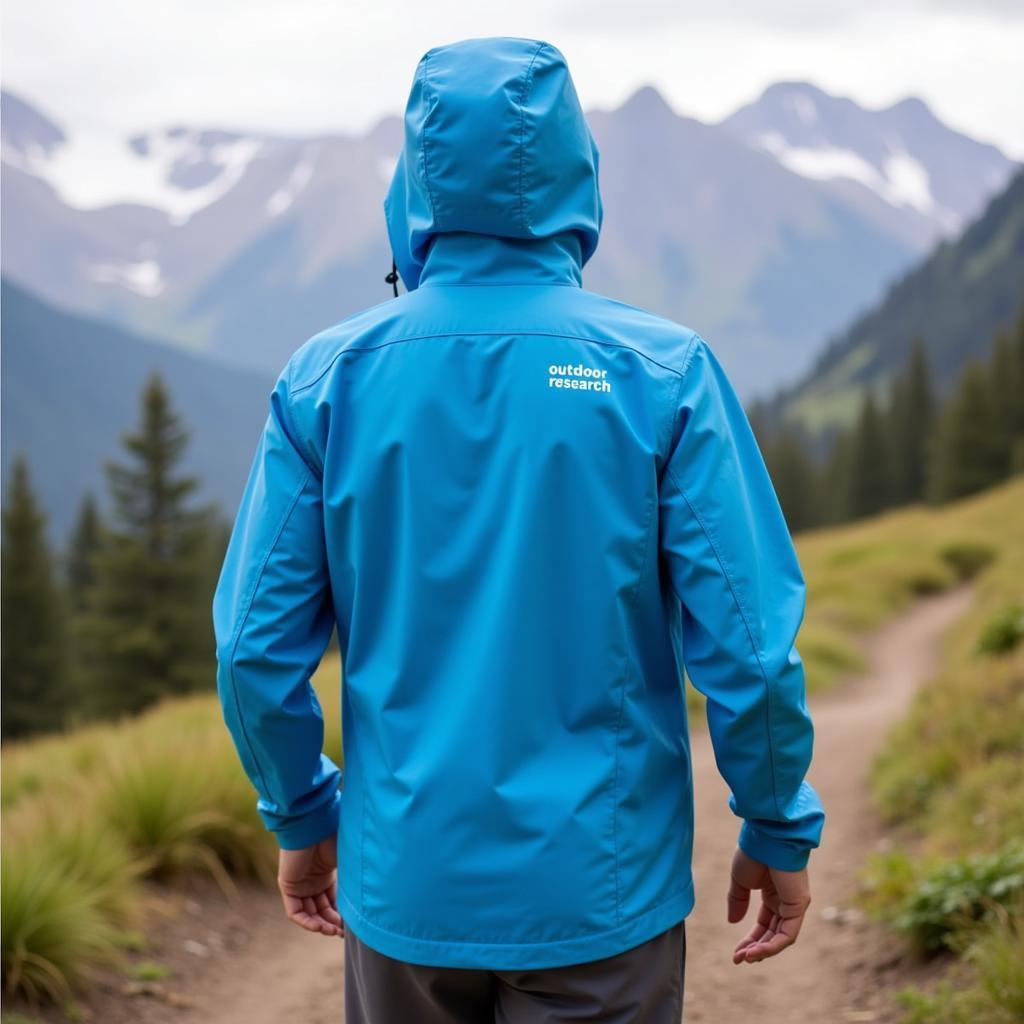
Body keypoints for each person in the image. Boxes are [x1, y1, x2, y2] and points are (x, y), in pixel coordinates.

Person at [212, 35, 825, 1023]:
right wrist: (774, 820)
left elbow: (250, 649)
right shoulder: (663, 370)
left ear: (415, 181)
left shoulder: (325, 380)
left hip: (401, 889)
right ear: (577, 173)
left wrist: (302, 811)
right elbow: (749, 647)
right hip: (603, 895)